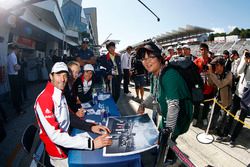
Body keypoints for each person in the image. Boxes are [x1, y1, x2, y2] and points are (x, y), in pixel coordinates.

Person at [34, 62, 112, 167]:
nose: (62, 79)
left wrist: (91, 127)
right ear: (51, 76)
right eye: (58, 75)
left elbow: (70, 117)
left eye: (65, 75)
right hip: (60, 153)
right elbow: (56, 136)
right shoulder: (45, 99)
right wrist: (91, 144)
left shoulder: (59, 92)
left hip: (68, 140)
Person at [137, 42, 193, 163]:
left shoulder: (169, 75)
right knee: (160, 134)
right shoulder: (154, 75)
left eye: (151, 57)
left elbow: (174, 106)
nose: (146, 61)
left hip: (179, 115)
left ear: (159, 58)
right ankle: (163, 150)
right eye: (143, 58)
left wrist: (167, 133)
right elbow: (153, 94)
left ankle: (169, 157)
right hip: (166, 113)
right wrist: (143, 105)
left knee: (169, 138)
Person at [216, 51, 250, 147]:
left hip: (247, 97)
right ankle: (225, 134)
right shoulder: (245, 61)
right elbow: (239, 71)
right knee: (231, 115)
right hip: (238, 93)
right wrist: (244, 59)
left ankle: (233, 138)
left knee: (241, 119)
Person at [65, 61, 109, 135]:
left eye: (90, 73)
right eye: (72, 71)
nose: (88, 75)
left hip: (75, 111)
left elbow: (75, 100)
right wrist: (75, 112)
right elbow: (79, 99)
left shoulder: (73, 83)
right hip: (68, 121)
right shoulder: (76, 81)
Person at [206, 57, 232, 135]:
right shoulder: (216, 74)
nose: (214, 67)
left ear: (221, 66)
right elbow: (210, 84)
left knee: (221, 119)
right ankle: (209, 129)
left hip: (225, 100)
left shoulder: (229, 74)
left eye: (215, 65)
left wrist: (211, 74)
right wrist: (209, 75)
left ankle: (219, 132)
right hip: (217, 98)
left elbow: (220, 84)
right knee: (210, 114)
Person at [193, 43, 215, 128]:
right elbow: (193, 73)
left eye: (205, 49)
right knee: (197, 104)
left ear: (207, 50)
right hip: (199, 87)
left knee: (206, 105)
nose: (203, 51)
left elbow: (215, 73)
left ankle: (204, 118)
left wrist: (209, 71)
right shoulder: (196, 61)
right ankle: (195, 118)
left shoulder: (212, 61)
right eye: (201, 49)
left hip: (208, 87)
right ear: (199, 51)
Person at [7, 44, 24, 115]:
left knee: (14, 94)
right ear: (15, 49)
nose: (18, 51)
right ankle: (19, 110)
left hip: (10, 76)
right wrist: (20, 67)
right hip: (15, 77)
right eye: (18, 50)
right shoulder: (13, 56)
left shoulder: (8, 56)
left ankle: (16, 107)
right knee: (17, 94)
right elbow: (15, 67)